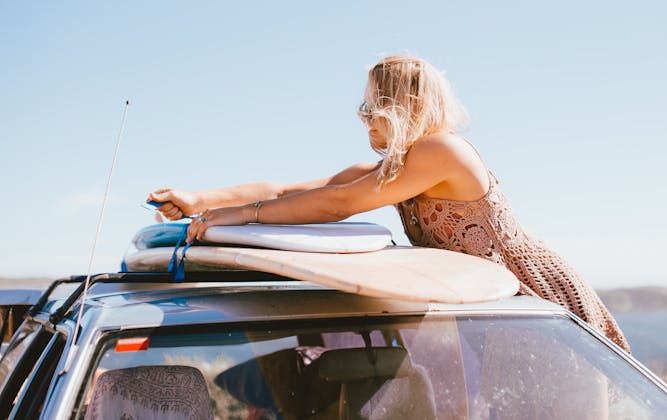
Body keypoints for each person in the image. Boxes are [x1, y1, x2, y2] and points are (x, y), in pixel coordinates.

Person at [149, 54, 630, 352]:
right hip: (486, 305)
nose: (364, 120)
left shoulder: (441, 151)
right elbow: (289, 192)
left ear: (402, 107)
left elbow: (336, 204)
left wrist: (238, 218)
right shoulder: (394, 171)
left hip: (534, 294)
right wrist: (200, 200)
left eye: (370, 107)